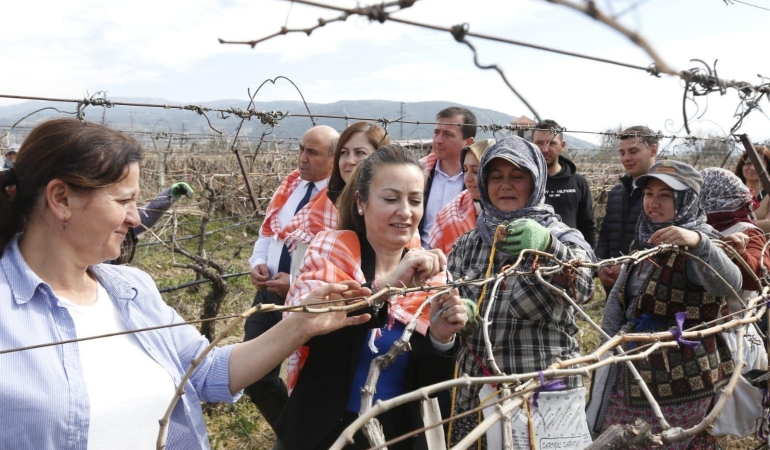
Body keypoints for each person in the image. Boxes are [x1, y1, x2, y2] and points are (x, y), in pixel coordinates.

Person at [0, 118, 374, 449]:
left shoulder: (131, 289)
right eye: (124, 200)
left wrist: (302, 322)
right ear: (61, 199)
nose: (135, 218)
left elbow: (205, 371)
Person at [276, 145, 469, 450]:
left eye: (415, 200)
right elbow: (309, 332)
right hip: (322, 431)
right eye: (391, 199)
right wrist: (387, 285)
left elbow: (429, 384)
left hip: (396, 433)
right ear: (361, 202)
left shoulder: (430, 275)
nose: (405, 212)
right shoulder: (330, 250)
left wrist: (440, 340)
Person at [446, 135, 596, 448]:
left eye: (518, 176)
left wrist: (548, 248)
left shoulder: (563, 236)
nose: (505, 185)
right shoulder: (468, 244)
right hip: (477, 392)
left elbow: (584, 289)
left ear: (536, 180)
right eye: (496, 177)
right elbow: (450, 300)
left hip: (541, 397)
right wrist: (462, 318)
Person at [592, 160, 741, 448]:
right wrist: (605, 353)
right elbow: (620, 301)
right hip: (634, 364)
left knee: (661, 441)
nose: (653, 203)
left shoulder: (703, 243)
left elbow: (729, 284)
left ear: (687, 200)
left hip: (683, 375)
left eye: (665, 195)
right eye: (649, 193)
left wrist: (697, 242)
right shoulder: (646, 239)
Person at [243, 125, 339, 430]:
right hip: (269, 299)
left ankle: (300, 437)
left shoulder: (339, 199)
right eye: (301, 149)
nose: (302, 158)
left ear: (333, 159)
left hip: (307, 306)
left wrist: (296, 282)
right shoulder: (289, 186)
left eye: (312, 152)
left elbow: (336, 260)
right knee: (254, 377)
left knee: (309, 385)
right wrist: (258, 262)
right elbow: (267, 234)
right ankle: (290, 433)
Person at [281, 122, 389, 253]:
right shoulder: (326, 206)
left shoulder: (392, 209)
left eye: (360, 152)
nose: (350, 160)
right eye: (344, 152)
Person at [595, 125, 658, 295]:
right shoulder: (616, 193)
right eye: (622, 153)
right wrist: (601, 266)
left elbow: (662, 243)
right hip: (613, 285)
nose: (626, 158)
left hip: (648, 285)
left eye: (633, 151)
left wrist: (625, 268)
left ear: (653, 150)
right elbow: (606, 234)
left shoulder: (663, 196)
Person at [531, 119, 596, 247]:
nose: (545, 149)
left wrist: (589, 258)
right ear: (531, 145)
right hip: (532, 257)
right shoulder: (527, 182)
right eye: (539, 143)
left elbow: (588, 225)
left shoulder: (578, 183)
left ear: (563, 145)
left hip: (573, 257)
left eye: (551, 143)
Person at [419, 106, 477, 248]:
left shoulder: (478, 182)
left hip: (459, 262)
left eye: (447, 134)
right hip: (415, 257)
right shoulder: (419, 173)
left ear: (468, 142)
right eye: (436, 132)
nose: (438, 140)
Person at [426, 138, 495, 254]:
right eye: (465, 169)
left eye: (476, 171)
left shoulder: (515, 211)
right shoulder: (449, 214)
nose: (467, 178)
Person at [112, 181, 195, 264]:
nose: (135, 219)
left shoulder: (128, 224)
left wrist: (170, 193)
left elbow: (150, 212)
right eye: (123, 201)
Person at [733, 146, 770, 233]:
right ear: (741, 166)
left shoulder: (768, 193)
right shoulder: (731, 191)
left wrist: (736, 226)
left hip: (762, 245)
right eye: (748, 163)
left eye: (758, 164)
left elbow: (769, 225)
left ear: (768, 168)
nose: (752, 168)